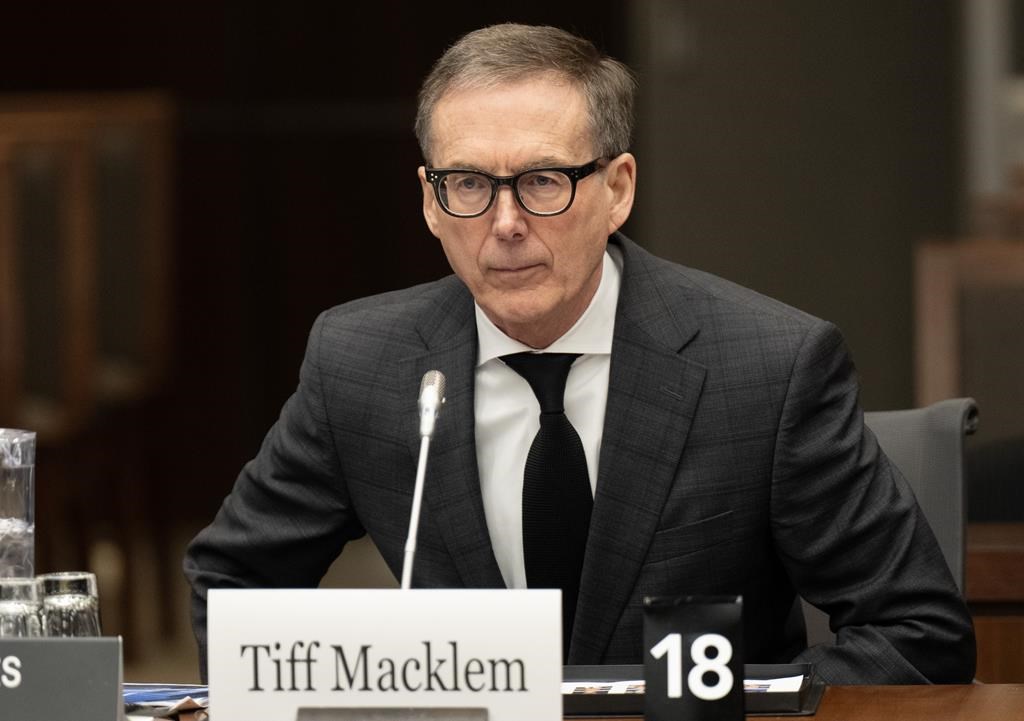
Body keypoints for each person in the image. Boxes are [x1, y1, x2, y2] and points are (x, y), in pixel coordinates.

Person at [184, 23, 975, 684]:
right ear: (430, 200)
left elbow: (918, 632)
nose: (504, 222)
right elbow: (231, 585)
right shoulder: (362, 362)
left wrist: (736, 703)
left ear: (618, 187)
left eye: (543, 180)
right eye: (467, 184)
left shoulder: (769, 367)